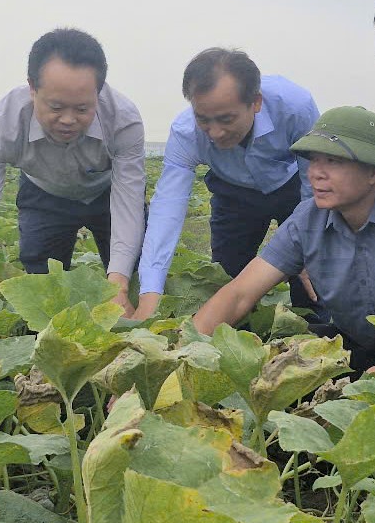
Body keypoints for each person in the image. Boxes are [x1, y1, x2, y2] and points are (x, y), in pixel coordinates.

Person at [192, 106, 375, 377]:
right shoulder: (307, 218)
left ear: (374, 172)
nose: (316, 173)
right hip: (353, 342)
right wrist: (187, 350)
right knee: (271, 364)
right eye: (313, 160)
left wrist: (370, 383)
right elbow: (240, 294)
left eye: (333, 161)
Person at [0, 28, 145, 315]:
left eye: (82, 109)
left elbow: (129, 201)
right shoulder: (2, 124)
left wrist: (118, 285)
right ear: (32, 87)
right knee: (42, 291)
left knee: (134, 280)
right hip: (44, 191)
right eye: (55, 107)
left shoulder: (123, 120)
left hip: (108, 193)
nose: (68, 120)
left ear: (99, 91)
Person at [131, 48, 321, 320]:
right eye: (203, 119)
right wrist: (150, 294)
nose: (215, 132)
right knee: (227, 277)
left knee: (311, 275)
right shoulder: (185, 133)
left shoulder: (294, 106)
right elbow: (166, 211)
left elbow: (314, 181)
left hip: (290, 185)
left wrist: (308, 241)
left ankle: (316, 332)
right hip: (233, 192)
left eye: (226, 119)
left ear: (255, 102)